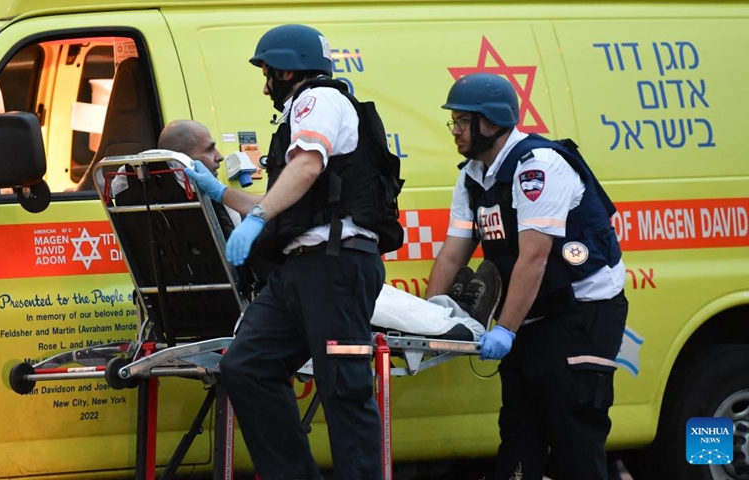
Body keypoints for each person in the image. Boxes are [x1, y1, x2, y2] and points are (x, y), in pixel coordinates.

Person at [184, 24, 391, 480]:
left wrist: (256, 218)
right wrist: (219, 192)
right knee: (246, 367)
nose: (264, 86)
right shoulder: (301, 110)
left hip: (335, 265)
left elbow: (308, 165)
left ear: (288, 69)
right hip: (301, 269)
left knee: (344, 390)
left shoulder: (318, 99)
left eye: (267, 73)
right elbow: (281, 201)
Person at [425, 73, 628, 480]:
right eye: (455, 121)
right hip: (530, 316)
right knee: (519, 432)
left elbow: (534, 257)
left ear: (493, 122)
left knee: (573, 432)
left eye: (464, 121)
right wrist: (428, 317)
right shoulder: (472, 176)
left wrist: (505, 330)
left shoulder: (537, 166)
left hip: (580, 314)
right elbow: (452, 253)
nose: (456, 131)